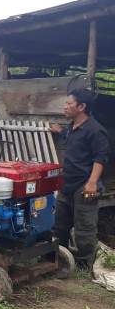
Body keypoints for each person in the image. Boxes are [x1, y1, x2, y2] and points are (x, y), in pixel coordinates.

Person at [50, 89, 110, 267]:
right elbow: (72, 140)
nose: (65, 107)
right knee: (59, 225)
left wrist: (92, 183)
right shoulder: (72, 127)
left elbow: (101, 157)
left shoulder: (95, 130)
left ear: (82, 106)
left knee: (84, 228)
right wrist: (60, 131)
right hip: (67, 183)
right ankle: (57, 258)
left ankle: (85, 265)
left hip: (84, 185)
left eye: (69, 104)